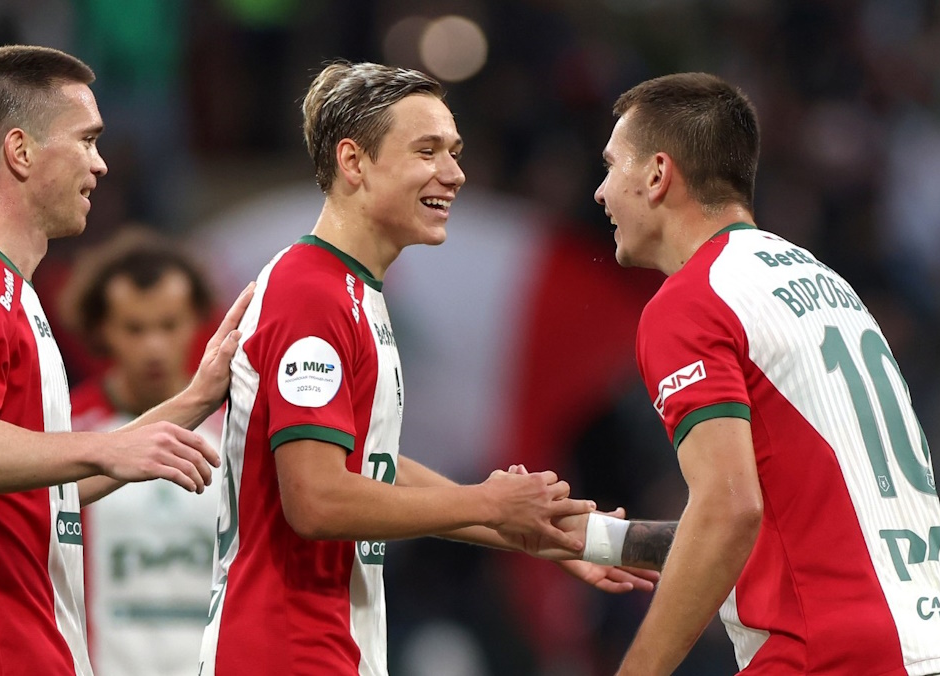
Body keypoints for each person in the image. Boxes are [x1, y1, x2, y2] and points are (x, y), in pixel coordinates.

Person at [197, 61, 656, 675]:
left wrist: (532, 533)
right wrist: (489, 504)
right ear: (354, 162)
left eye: (455, 153)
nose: (454, 174)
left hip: (326, 649)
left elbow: (370, 465)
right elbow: (316, 500)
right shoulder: (311, 295)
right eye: (426, 151)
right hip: (283, 654)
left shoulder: (354, 296)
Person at [571, 72, 940, 674]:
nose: (599, 192)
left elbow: (728, 513)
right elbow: (791, 523)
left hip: (835, 656)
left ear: (658, 174)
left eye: (612, 166)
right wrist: (595, 538)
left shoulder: (691, 302)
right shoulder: (825, 283)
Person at [0, 45, 252, 676]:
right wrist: (104, 446)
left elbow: (44, 494)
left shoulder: (7, 292)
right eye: (86, 140)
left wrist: (195, 399)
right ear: (21, 152)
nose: (101, 163)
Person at [59, 228, 225, 675]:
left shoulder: (236, 430)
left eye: (169, 325)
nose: (154, 347)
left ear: (197, 321)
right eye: (135, 328)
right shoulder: (63, 429)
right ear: (102, 330)